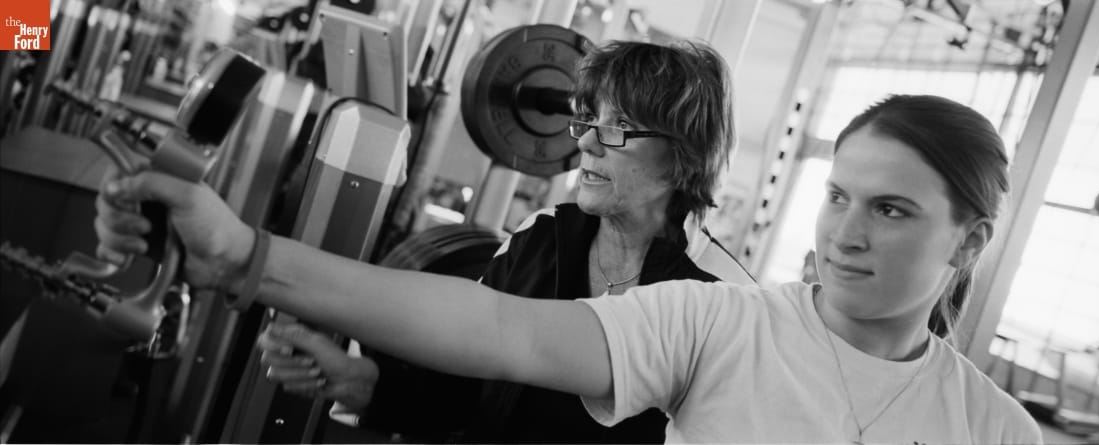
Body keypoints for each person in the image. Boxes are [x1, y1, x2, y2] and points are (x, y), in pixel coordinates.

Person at [94, 94, 1042, 442]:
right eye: (838, 194)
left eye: (891, 209)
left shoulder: (993, 429)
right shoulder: (722, 325)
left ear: (967, 241)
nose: (846, 232)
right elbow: (495, 333)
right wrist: (245, 256)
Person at [254, 40, 750, 443]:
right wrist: (359, 381)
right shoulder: (542, 238)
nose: (585, 143)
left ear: (684, 153)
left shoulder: (723, 304)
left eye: (619, 126)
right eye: (590, 118)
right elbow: (461, 396)